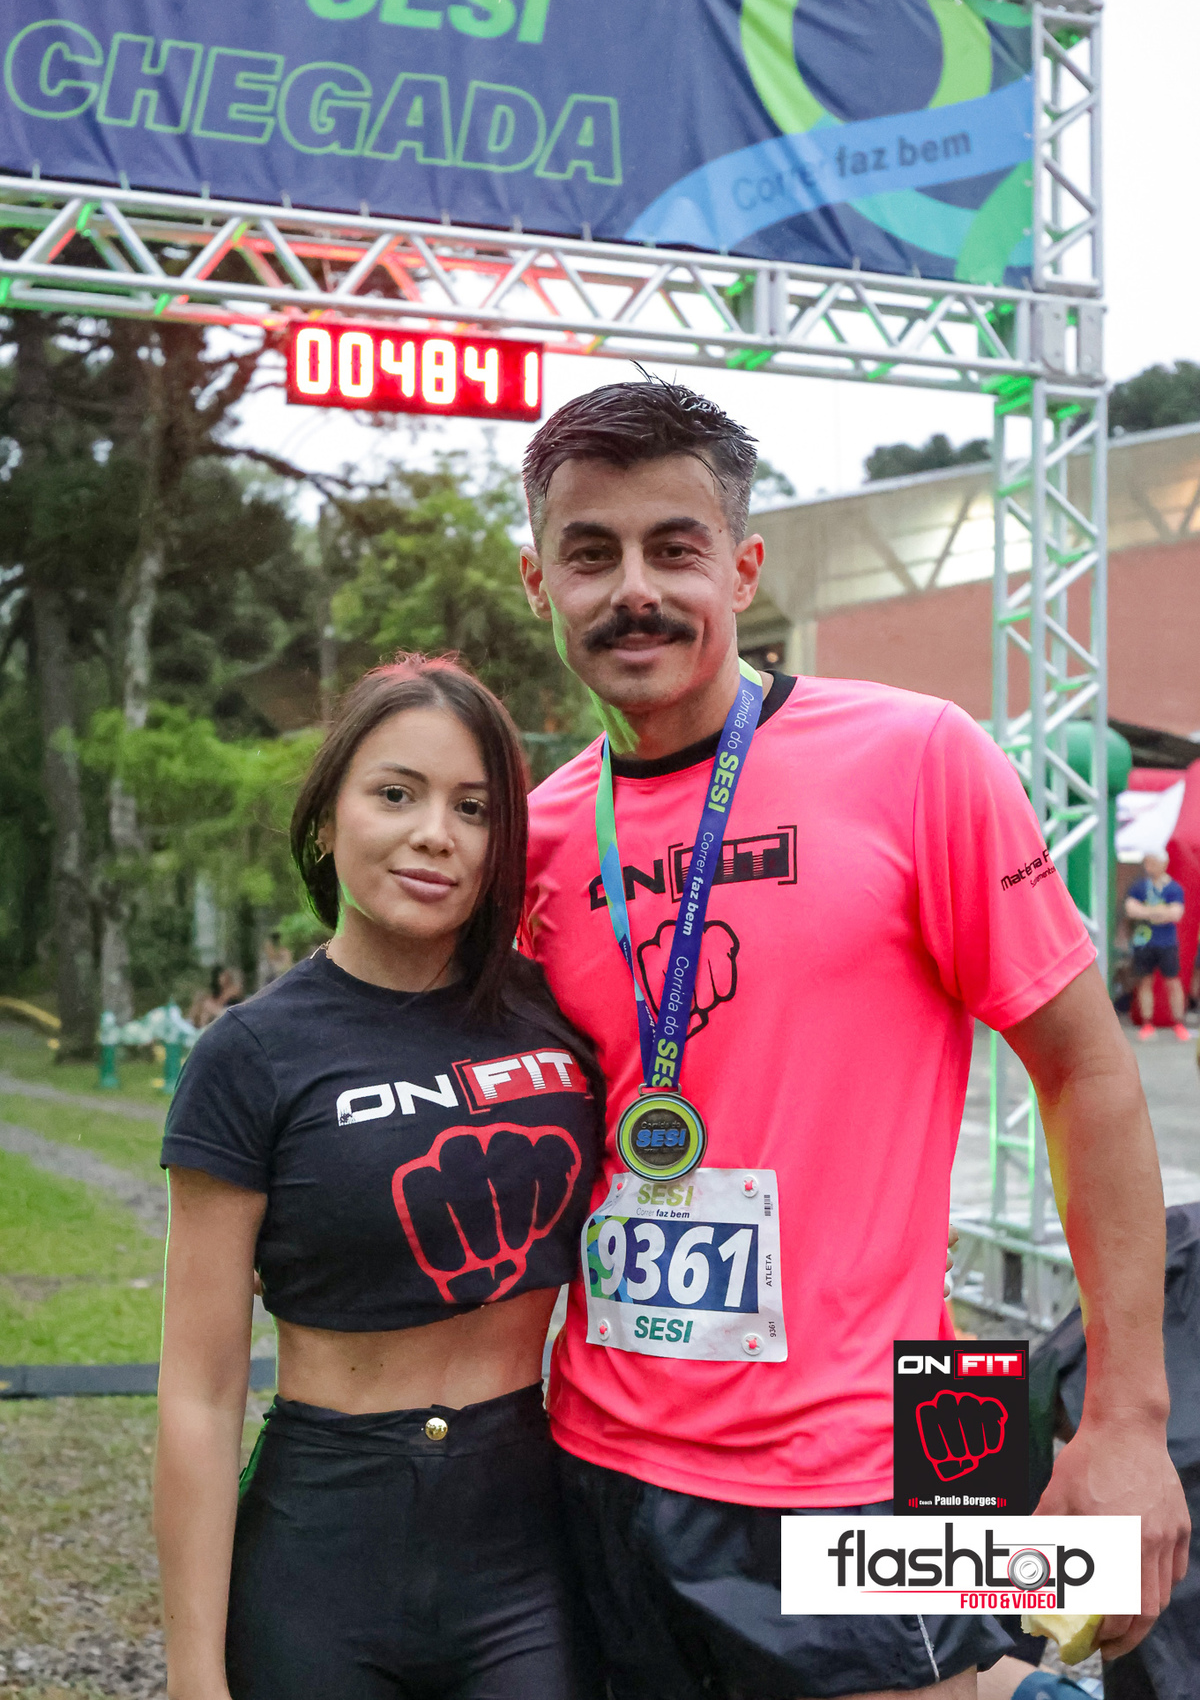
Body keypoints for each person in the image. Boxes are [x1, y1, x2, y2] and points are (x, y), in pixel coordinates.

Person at [517, 381, 1189, 1700]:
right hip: (601, 1455)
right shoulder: (538, 835)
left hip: (894, 1445)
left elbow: (1086, 1071)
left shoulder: (918, 756)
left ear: (744, 568)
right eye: (591, 554)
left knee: (1020, 1668)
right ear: (540, 581)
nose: (633, 590)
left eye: (674, 548)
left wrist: (1125, 1419)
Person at [154, 657, 603, 1700]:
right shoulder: (249, 1055)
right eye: (396, 794)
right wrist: (192, 1675)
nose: (435, 833)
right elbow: (201, 1393)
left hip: (526, 1542)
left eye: (474, 808)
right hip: (322, 1547)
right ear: (326, 821)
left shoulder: (557, 1016)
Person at [1125, 852, 1191, 1043]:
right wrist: (1159, 912)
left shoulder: (1174, 888)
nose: (1148, 867)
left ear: (1163, 864)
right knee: (1145, 982)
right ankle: (1147, 1023)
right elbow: (1131, 909)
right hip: (1144, 942)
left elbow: (1176, 914)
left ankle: (1178, 1023)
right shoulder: (1139, 887)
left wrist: (1145, 912)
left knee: (1173, 982)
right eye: (1146, 863)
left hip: (1167, 943)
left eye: (1152, 863)